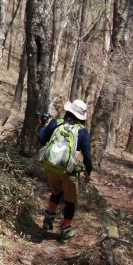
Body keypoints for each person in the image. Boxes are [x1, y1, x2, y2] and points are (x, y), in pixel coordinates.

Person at [38, 99, 93, 241]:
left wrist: (42, 126)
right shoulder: (82, 132)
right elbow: (87, 156)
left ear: (68, 111)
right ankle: (66, 230)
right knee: (70, 200)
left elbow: (43, 139)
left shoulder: (56, 123)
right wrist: (89, 172)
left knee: (56, 192)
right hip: (69, 171)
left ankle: (48, 218)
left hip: (51, 167)